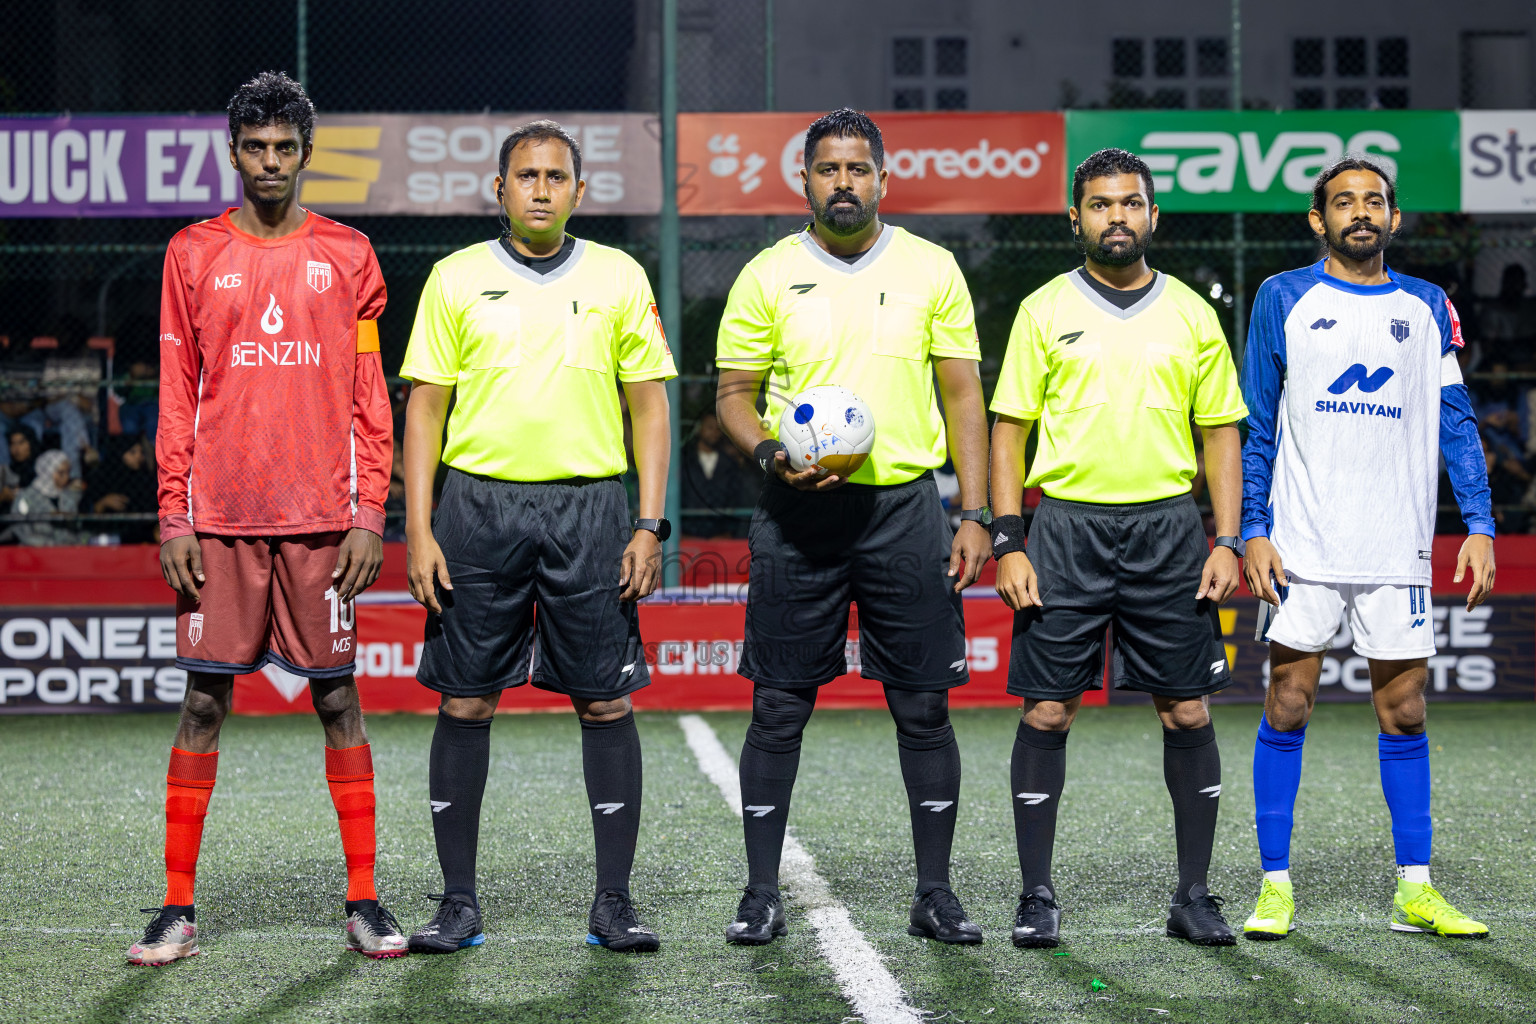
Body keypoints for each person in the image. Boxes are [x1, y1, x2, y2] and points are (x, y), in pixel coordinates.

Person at [130, 71, 404, 966]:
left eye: (286, 148)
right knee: (203, 702)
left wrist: (371, 510)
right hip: (221, 523)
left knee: (338, 698)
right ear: (235, 152)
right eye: (257, 147)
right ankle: (177, 908)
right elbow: (176, 395)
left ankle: (364, 901)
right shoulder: (192, 253)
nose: (272, 162)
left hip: (324, 521)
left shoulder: (350, 255)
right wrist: (175, 515)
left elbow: (371, 396)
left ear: (307, 155)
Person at [714, 109, 992, 946]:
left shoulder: (930, 268)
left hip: (903, 507)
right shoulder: (767, 274)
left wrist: (973, 512)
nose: (844, 182)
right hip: (798, 514)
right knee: (778, 706)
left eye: (858, 168)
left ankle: (934, 892)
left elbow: (964, 395)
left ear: (882, 177)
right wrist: (769, 456)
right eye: (828, 169)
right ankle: (761, 891)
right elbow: (733, 395)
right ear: (805, 180)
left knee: (924, 706)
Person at [400, 120, 675, 955]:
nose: (542, 188)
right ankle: (457, 903)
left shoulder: (621, 275)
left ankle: (614, 903)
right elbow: (425, 407)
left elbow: (650, 404)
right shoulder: (454, 278)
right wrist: (416, 527)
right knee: (466, 699)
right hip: (475, 510)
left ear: (579, 192)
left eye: (557, 176)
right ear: (501, 189)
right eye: (527, 175)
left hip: (591, 511)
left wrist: (650, 522)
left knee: (605, 698)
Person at [990, 148, 1247, 949]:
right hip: (1064, 529)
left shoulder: (1192, 314)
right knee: (1048, 708)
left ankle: (1194, 896)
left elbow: (1220, 435)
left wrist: (1227, 538)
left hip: (1170, 531)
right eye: (1099, 205)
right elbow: (1009, 431)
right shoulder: (1041, 309)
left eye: (1130, 203)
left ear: (1152, 216)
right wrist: (1009, 541)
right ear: (1076, 219)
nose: (1116, 218)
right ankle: (1036, 896)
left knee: (1187, 708)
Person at [1239, 157, 1496, 941]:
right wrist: (1254, 527)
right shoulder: (1282, 296)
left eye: (1375, 200)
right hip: (1304, 543)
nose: (1361, 211)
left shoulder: (1427, 306)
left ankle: (1414, 891)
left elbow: (1455, 420)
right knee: (1288, 702)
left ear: (1393, 217)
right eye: (1344, 201)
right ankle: (1274, 886)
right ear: (1318, 220)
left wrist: (1479, 524)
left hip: (1396, 544)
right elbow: (1256, 423)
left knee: (1406, 710)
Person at [680, 411, 746, 537]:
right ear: (699, 429)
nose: (715, 432)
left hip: (721, 537)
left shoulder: (730, 464)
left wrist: (728, 533)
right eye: (710, 427)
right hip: (687, 536)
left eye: (718, 428)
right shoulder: (683, 460)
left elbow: (735, 500)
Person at [85, 435, 159, 544]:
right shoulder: (102, 477)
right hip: (107, 535)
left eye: (141, 452)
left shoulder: (145, 479)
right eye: (133, 452)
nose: (139, 456)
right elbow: (85, 508)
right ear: (120, 454)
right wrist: (103, 503)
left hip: (141, 538)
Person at [9, 449, 87, 546]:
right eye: (61, 473)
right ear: (48, 472)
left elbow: (77, 529)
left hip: (67, 551)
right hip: (36, 553)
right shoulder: (26, 497)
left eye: (68, 472)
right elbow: (21, 530)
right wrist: (49, 545)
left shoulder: (68, 496)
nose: (66, 477)